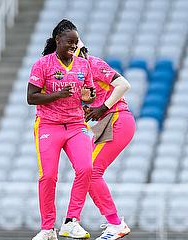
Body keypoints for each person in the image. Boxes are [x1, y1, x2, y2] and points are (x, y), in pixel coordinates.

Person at [27, 19, 95, 240]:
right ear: (58, 40)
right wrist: (58, 94)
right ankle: (48, 228)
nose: (73, 47)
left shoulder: (83, 65)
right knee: (48, 176)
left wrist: (89, 97)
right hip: (48, 124)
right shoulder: (43, 64)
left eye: (76, 43)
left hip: (76, 124)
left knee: (86, 168)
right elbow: (31, 97)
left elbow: (89, 94)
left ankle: (71, 222)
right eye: (69, 42)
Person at [76, 41, 135, 240]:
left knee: (90, 171)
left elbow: (124, 85)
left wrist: (102, 107)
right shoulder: (78, 74)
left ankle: (116, 223)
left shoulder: (92, 64)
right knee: (88, 171)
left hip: (117, 118)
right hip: (108, 122)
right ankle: (114, 222)